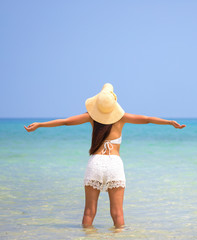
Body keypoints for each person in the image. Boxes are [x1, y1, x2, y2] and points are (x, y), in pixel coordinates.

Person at [24, 83, 186, 229]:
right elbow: (147, 119)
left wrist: (40, 124)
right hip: (114, 164)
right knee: (117, 213)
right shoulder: (122, 118)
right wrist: (169, 122)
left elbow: (65, 121)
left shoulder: (91, 117)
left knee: (89, 212)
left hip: (96, 163)